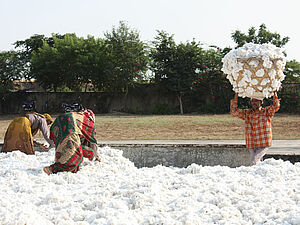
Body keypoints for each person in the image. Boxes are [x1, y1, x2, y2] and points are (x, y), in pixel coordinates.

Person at [43, 107, 100, 175]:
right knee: (75, 153)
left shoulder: (79, 116)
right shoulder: (88, 122)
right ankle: (53, 168)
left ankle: (59, 163)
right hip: (70, 126)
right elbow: (93, 142)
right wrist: (97, 157)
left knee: (62, 147)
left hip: (59, 122)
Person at [230, 92, 280, 165]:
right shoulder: (247, 113)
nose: (254, 103)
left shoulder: (266, 111)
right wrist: (236, 95)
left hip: (263, 142)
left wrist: (274, 93)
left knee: (254, 162)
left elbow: (276, 106)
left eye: (256, 101)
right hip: (251, 143)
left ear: (261, 102)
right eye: (252, 101)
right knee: (256, 162)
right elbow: (233, 112)